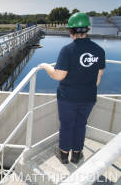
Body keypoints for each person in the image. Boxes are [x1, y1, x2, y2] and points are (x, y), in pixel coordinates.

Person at [38, 12, 106, 164]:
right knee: (81, 124)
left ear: (71, 31)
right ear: (87, 30)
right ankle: (76, 155)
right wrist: (86, 89)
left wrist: (45, 66)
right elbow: (99, 75)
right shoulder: (99, 50)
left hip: (68, 98)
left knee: (67, 125)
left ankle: (63, 155)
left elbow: (59, 75)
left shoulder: (68, 50)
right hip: (88, 97)